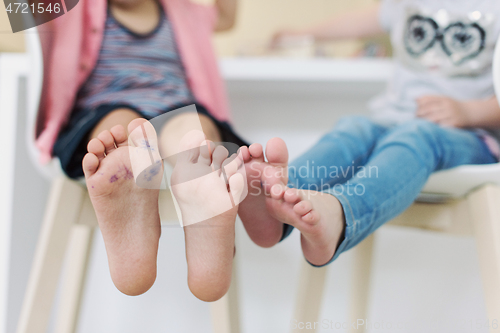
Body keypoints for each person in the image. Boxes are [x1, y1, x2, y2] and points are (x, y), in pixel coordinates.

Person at [238, 0, 500, 267]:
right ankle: (278, 193)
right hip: (392, 123)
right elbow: (357, 21)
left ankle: (340, 214)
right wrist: (304, 33)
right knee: (354, 128)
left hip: (471, 137)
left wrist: (469, 112)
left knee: (416, 135)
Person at [36, 0, 246, 301]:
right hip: (107, 109)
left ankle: (199, 183)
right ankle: (128, 178)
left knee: (193, 132)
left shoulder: (183, 11)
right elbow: (19, 11)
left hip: (175, 109)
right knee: (121, 133)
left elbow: (225, 17)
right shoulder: (74, 9)